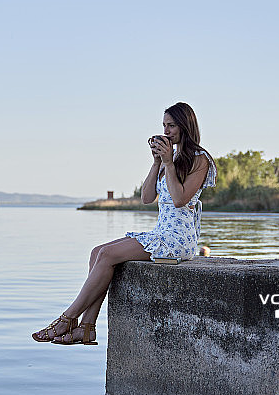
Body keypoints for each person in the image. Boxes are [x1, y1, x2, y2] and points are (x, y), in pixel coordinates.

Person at [32, 102, 217, 345]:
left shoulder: (199, 159)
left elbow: (181, 199)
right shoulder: (168, 159)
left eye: (171, 126)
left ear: (185, 126)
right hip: (162, 232)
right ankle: (86, 327)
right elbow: (146, 198)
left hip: (178, 239)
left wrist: (169, 164)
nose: (166, 131)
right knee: (97, 252)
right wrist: (157, 163)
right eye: (164, 125)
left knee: (108, 254)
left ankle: (68, 318)